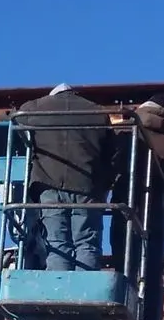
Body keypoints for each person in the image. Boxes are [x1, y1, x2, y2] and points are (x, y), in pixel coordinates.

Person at [111, 94, 164, 320]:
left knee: (123, 262)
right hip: (159, 211)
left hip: (126, 205)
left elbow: (110, 163)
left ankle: (121, 318)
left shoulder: (127, 130)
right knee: (153, 268)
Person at [15, 84, 114, 271]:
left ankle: (58, 294)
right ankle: (87, 296)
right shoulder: (98, 112)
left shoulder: (34, 108)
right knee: (87, 244)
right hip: (87, 186)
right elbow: (111, 154)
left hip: (49, 184)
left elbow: (7, 121)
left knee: (57, 245)